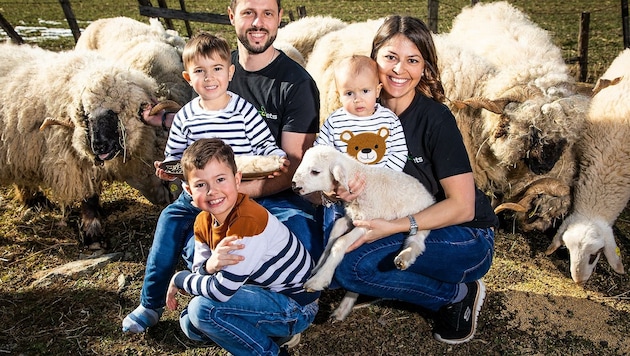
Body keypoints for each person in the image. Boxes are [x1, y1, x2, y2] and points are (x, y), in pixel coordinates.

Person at [330, 16, 498, 345]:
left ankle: (454, 295)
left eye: (412, 60)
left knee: (350, 268)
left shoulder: (435, 120)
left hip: (465, 235)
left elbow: (462, 206)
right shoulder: (359, 112)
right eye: (390, 57)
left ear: (424, 68)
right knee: (330, 235)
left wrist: (391, 228)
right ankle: (384, 276)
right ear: (374, 59)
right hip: (404, 221)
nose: (399, 70)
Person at [122, 31, 287, 333]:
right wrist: (169, 170)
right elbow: (175, 155)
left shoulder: (244, 112)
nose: (209, 78)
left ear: (230, 72)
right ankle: (151, 302)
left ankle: (235, 294)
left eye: (216, 69)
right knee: (169, 218)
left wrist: (277, 157)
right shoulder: (186, 116)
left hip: (231, 192)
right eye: (200, 71)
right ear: (188, 77)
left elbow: (266, 145)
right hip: (196, 193)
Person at [166, 138, 319, 355]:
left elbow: (219, 291)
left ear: (237, 180)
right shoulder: (202, 221)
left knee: (202, 311)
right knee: (190, 324)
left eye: (220, 179)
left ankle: (270, 350)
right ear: (188, 190)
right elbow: (199, 272)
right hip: (258, 291)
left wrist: (179, 279)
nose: (212, 191)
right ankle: (269, 332)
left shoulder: (248, 223)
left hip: (296, 306)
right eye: (201, 185)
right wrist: (209, 266)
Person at [226, 0, 324, 260]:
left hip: (279, 198)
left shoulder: (297, 84)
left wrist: (234, 192)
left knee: (302, 244)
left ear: (279, 17)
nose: (258, 23)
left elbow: (294, 165)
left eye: (267, 14)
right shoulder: (216, 74)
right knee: (195, 244)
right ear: (231, 16)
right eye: (248, 13)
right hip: (222, 191)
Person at [316, 54, 407, 171]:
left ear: (377, 91)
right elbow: (321, 151)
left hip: (381, 182)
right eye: (349, 93)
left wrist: (386, 176)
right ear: (339, 95)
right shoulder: (335, 121)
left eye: (365, 91)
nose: (358, 99)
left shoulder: (389, 119)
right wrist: (334, 177)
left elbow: (399, 152)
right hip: (346, 183)